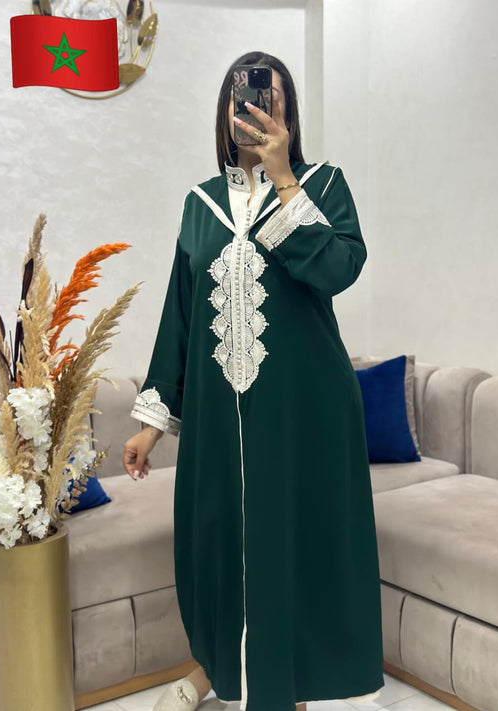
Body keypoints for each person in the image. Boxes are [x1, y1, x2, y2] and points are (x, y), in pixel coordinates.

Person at [123, 51, 385, 711]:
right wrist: (152, 422)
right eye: (242, 103)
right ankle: (218, 670)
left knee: (292, 543)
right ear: (226, 114)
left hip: (305, 409)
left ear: (287, 115)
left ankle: (286, 687)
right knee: (221, 543)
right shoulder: (200, 204)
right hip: (219, 417)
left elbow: (337, 270)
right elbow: (181, 314)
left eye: (270, 102)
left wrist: (285, 179)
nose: (255, 114)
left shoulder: (323, 184)